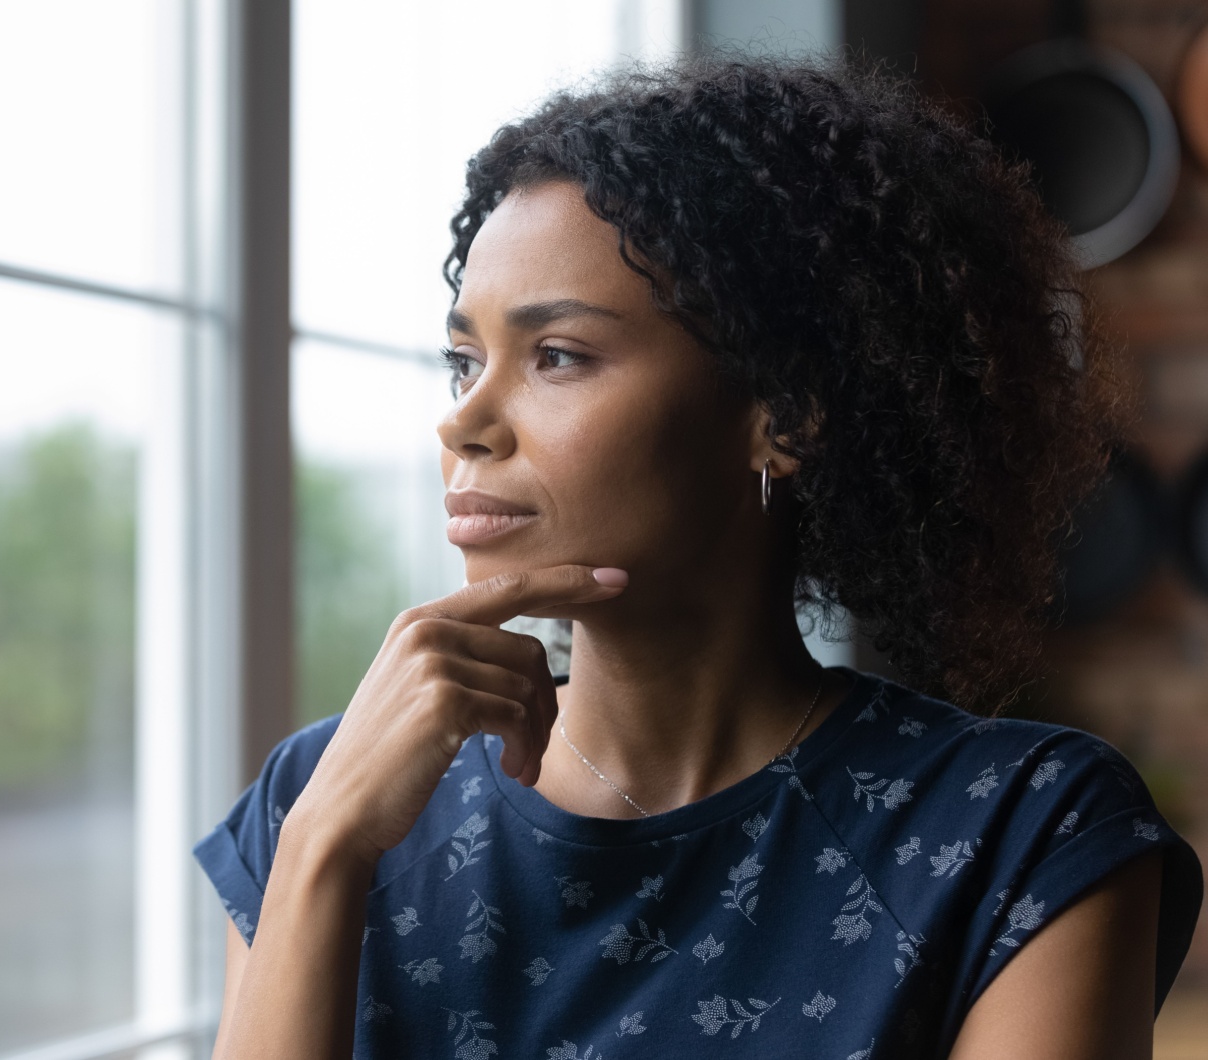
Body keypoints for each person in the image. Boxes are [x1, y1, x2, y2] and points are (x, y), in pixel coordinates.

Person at [194, 53, 1203, 1059]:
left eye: (557, 356)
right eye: (465, 359)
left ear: (786, 418)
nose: (464, 421)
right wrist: (322, 851)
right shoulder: (319, 793)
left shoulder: (1024, 835)